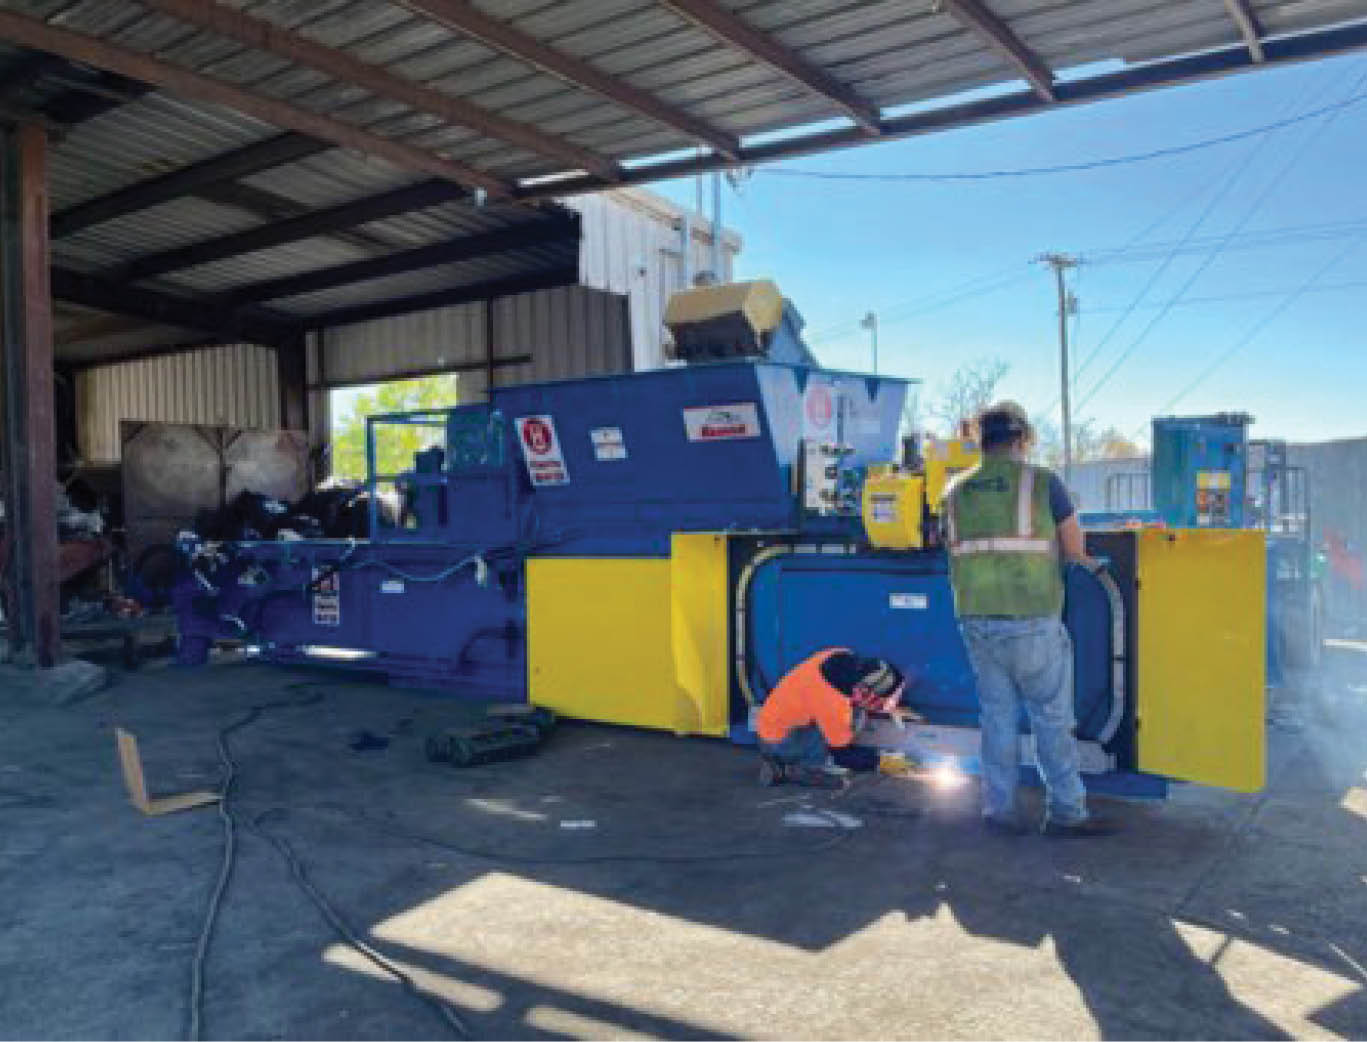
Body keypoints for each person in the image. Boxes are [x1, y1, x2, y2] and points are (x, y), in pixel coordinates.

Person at [941, 401, 1116, 837]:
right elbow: (1075, 549)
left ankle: (998, 812)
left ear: (982, 441)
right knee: (1051, 719)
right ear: (1020, 440)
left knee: (997, 718)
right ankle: (1066, 813)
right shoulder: (1042, 482)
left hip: (975, 619)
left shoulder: (954, 490)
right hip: (1031, 617)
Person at [755, 648, 904, 788]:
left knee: (851, 715)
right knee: (851, 721)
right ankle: (801, 769)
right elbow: (843, 755)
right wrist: (880, 761)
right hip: (780, 741)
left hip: (772, 726)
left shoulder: (838, 654)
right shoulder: (833, 704)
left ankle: (782, 762)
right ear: (863, 689)